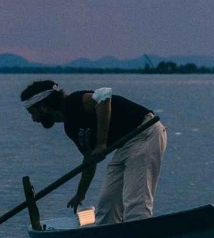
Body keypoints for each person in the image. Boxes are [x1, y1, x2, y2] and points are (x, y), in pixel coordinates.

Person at [20, 80, 166, 223]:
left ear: (44, 106)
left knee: (136, 205)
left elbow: (103, 97)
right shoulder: (70, 128)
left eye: (33, 112)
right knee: (106, 208)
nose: (34, 119)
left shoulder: (74, 102)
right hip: (126, 145)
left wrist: (101, 143)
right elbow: (90, 159)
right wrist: (80, 194)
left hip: (145, 132)